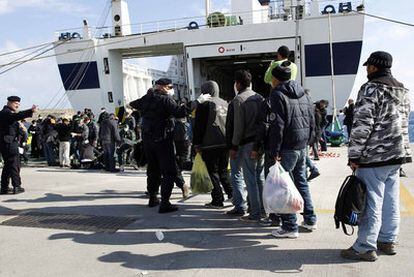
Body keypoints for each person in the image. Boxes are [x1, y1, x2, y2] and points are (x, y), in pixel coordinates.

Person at [341, 51, 412, 262]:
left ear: (373, 67)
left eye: (367, 66)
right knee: (391, 200)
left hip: (374, 156)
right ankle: (388, 240)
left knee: (371, 201)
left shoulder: (371, 88)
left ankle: (364, 246)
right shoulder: (402, 89)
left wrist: (354, 155)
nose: (365, 70)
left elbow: (363, 125)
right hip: (397, 155)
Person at [268, 62, 317, 238]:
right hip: (302, 145)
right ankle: (310, 219)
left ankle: (289, 226)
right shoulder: (303, 93)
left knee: (283, 186)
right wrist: (310, 141)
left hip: (287, 147)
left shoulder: (277, 94)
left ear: (276, 79)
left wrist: (275, 151)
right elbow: (312, 119)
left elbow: (277, 126)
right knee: (301, 182)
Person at [129, 79, 188, 213]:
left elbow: (132, 104)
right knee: (169, 171)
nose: (171, 89)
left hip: (148, 141)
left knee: (153, 170)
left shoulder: (146, 98)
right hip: (163, 139)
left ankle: (153, 198)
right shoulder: (165, 99)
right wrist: (196, 102)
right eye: (169, 87)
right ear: (162, 87)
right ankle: (165, 203)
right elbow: (180, 112)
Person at [226, 70, 265, 222]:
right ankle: (262, 209)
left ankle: (253, 213)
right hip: (259, 143)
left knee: (249, 179)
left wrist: (234, 146)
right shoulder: (259, 97)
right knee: (259, 178)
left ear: (238, 84)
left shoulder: (238, 100)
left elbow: (238, 127)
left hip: (246, 144)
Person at [193, 81, 233, 208]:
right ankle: (233, 195)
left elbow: (199, 126)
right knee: (223, 171)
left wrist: (197, 144)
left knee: (212, 172)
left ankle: (217, 199)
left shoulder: (205, 104)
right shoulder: (225, 103)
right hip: (225, 143)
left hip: (209, 143)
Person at [0, 96, 36, 194]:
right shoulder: (6, 113)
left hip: (6, 143)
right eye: (16, 103)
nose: (17, 105)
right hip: (9, 143)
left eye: (18, 104)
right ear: (9, 102)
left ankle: (4, 187)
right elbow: (16, 116)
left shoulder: (5, 113)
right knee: (14, 165)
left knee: (7, 166)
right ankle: (17, 186)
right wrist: (30, 111)